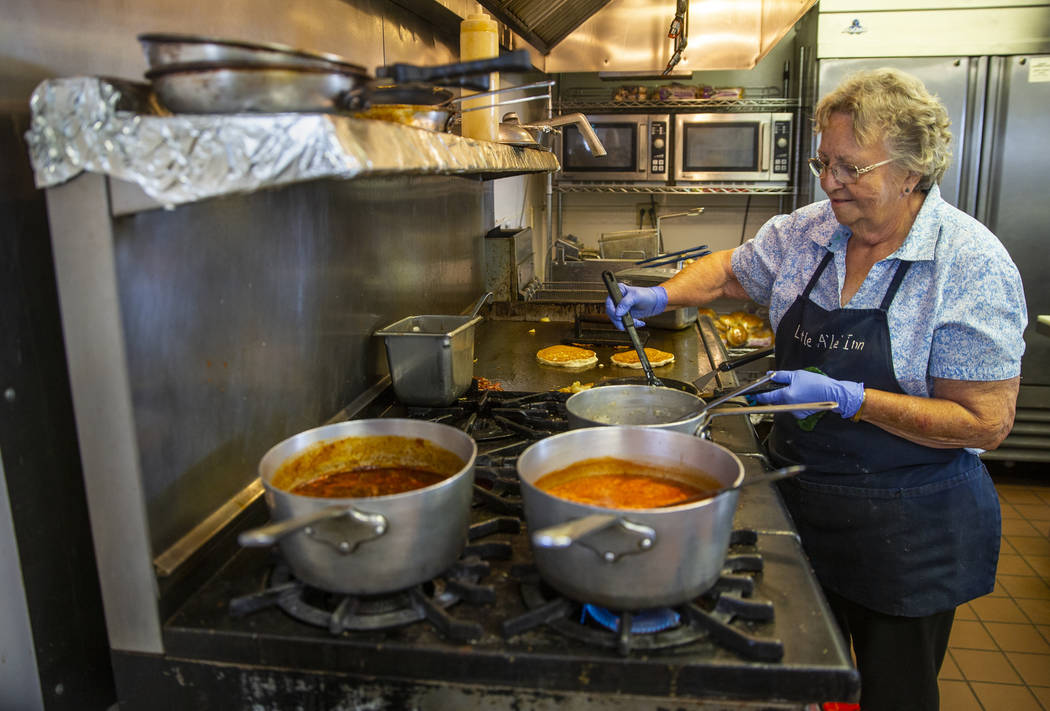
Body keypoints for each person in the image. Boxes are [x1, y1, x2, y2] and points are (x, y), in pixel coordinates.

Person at [606, 68, 1027, 711]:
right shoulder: (810, 230)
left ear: (912, 171)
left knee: (894, 694)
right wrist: (659, 294)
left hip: (909, 525)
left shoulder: (969, 264)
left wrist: (848, 398)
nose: (829, 182)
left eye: (850, 168)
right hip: (800, 504)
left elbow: (984, 423)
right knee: (798, 676)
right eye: (822, 162)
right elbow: (728, 272)